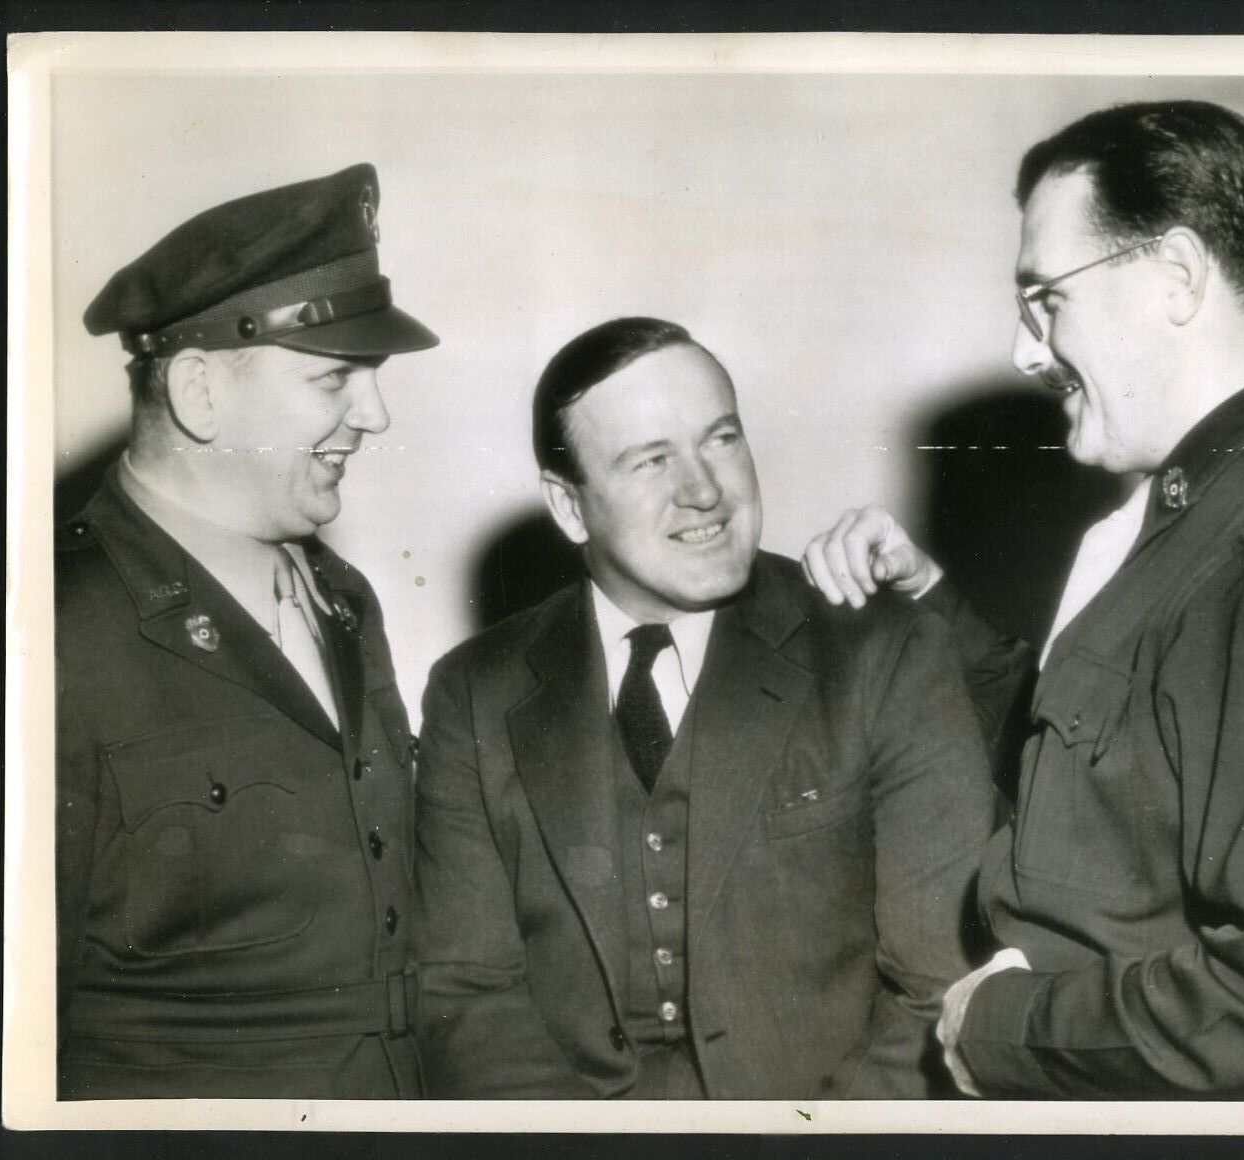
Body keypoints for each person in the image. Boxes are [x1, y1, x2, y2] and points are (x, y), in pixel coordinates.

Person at [803, 100, 1244, 1098]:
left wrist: (999, 1029)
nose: (1028, 352)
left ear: (1178, 275)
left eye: (1044, 299)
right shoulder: (1195, 501)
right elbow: (1104, 755)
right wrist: (930, 599)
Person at [411, 317, 1020, 1099]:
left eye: (721, 439)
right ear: (569, 506)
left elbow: (935, 989)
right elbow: (467, 999)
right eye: (650, 460)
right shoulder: (475, 691)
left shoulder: (880, 649)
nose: (702, 490)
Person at [56, 164, 439, 1098]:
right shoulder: (48, 631)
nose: (376, 416)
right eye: (334, 380)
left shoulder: (343, 598)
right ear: (198, 390)